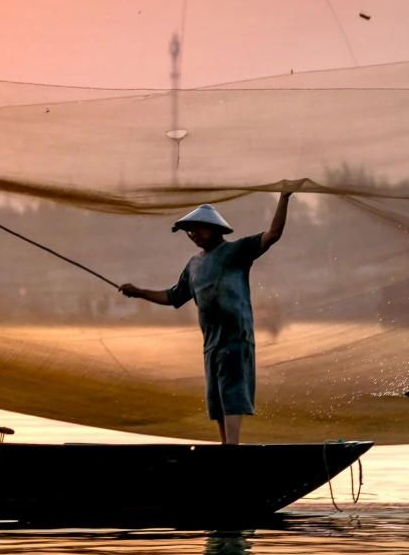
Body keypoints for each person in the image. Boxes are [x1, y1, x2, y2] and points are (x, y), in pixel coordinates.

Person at [119, 190, 296, 445]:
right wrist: (139, 292)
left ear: (215, 228)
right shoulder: (193, 266)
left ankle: (232, 447)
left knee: (232, 391)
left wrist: (284, 197)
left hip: (236, 337)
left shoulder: (237, 251)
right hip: (211, 342)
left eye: (198, 228)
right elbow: (173, 296)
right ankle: (225, 444)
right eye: (189, 230)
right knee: (216, 398)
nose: (193, 234)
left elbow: (273, 235)